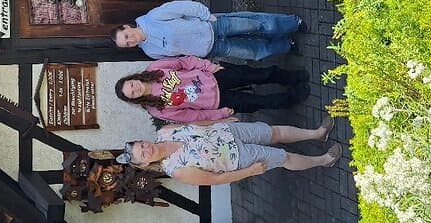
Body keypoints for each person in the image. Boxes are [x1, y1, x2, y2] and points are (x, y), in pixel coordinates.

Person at [115, 118, 339, 187]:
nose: (146, 150)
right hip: (238, 158)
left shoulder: (165, 132)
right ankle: (324, 160)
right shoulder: (177, 170)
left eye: (142, 145)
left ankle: (317, 133)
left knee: (275, 131)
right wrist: (249, 172)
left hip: (229, 131)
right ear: (145, 165)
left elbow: (195, 124)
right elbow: (216, 179)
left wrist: (220, 119)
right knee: (283, 157)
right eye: (142, 155)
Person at [115, 56, 309, 122]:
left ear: (133, 78)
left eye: (131, 85)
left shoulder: (154, 69)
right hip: (218, 102)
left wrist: (209, 66)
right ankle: (294, 96)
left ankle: (292, 77)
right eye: (131, 93)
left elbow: (185, 61)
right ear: (134, 99)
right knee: (260, 102)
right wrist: (220, 114)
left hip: (215, 77)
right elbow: (191, 117)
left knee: (261, 74)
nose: (135, 89)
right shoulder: (157, 109)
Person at [111, 0, 301, 61]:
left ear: (128, 27)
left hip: (213, 26)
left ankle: (293, 23)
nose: (130, 40)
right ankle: (286, 44)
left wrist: (206, 15)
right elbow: (180, 59)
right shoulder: (150, 51)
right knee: (254, 53)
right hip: (213, 49)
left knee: (257, 25)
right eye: (127, 44)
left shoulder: (153, 17)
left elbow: (183, 7)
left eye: (126, 36)